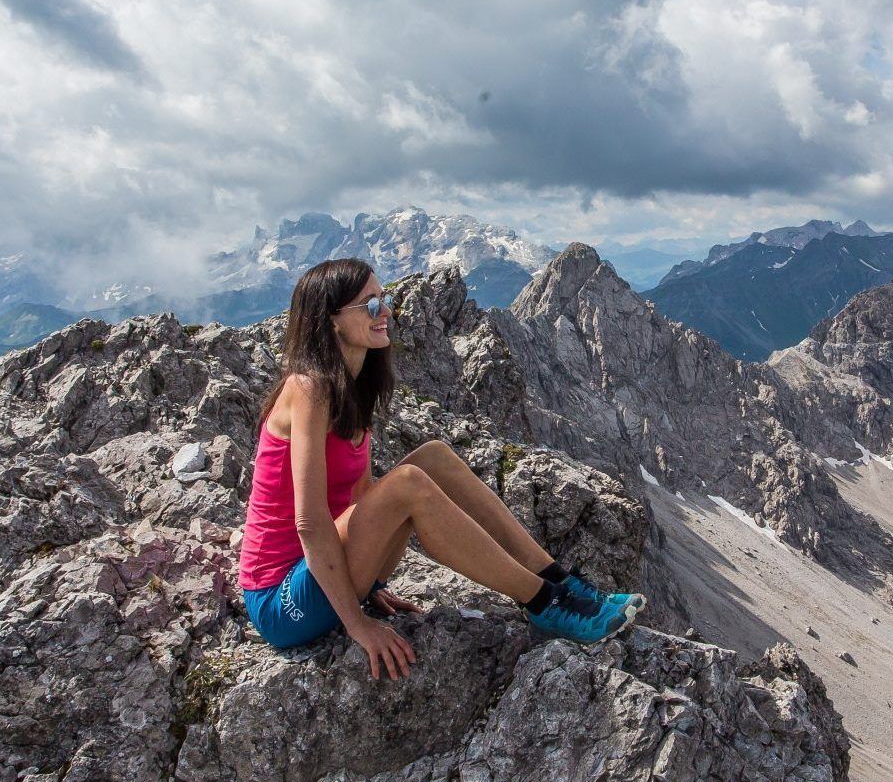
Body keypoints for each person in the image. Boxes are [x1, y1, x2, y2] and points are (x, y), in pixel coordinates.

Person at [237, 257, 645, 678]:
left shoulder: (352, 386)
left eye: (384, 299)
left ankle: (559, 580)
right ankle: (546, 603)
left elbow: (357, 497)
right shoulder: (308, 388)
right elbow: (309, 522)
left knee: (433, 456)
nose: (386, 312)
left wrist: (367, 581)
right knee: (408, 484)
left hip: (324, 575)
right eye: (371, 305)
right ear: (332, 320)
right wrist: (357, 624)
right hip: (281, 600)